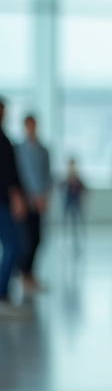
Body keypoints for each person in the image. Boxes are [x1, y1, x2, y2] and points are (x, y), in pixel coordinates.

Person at [0, 97, 30, 318]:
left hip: (6, 200)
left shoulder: (4, 138)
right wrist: (16, 196)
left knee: (14, 245)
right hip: (3, 202)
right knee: (14, 245)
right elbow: (6, 173)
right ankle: (2, 295)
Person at [15, 114, 51, 292]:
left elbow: (47, 175)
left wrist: (44, 196)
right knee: (25, 239)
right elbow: (17, 175)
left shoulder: (44, 150)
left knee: (37, 238)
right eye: (28, 126)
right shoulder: (17, 149)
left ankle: (29, 273)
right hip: (24, 201)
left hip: (39, 201)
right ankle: (23, 273)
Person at [62, 158, 86, 248]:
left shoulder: (77, 176)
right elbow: (61, 186)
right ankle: (65, 235)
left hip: (76, 199)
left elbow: (83, 188)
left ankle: (78, 235)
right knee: (66, 217)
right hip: (68, 199)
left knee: (77, 218)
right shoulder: (67, 176)